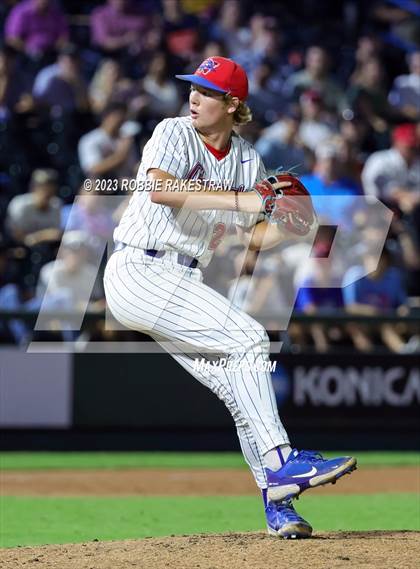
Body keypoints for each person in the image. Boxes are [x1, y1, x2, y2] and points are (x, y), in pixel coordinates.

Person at [103, 56, 356, 539]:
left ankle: (278, 505)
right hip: (138, 267)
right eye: (193, 87)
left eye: (207, 90)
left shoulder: (247, 162)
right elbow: (159, 189)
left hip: (184, 279)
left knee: (240, 388)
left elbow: (249, 235)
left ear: (232, 103)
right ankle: (284, 460)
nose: (194, 96)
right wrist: (246, 202)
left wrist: (292, 228)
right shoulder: (173, 131)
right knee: (250, 339)